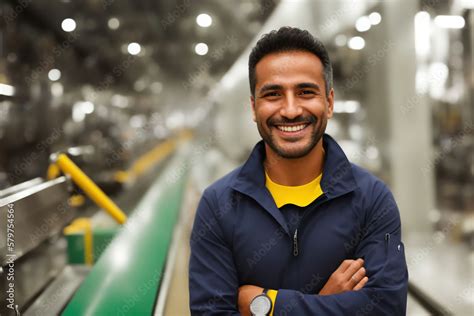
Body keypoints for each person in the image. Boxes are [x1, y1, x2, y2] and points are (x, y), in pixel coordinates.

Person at [189, 26, 408, 315]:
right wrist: (328, 300)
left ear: (328, 103)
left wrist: (267, 305)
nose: (291, 110)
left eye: (305, 92)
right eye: (273, 94)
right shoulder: (218, 205)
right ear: (254, 108)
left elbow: (386, 309)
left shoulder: (371, 199)